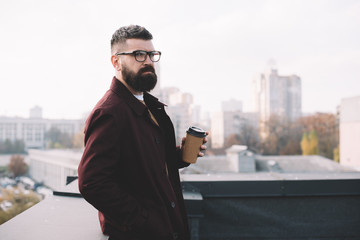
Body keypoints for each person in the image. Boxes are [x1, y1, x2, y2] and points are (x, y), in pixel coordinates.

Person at [78, 25, 207, 240]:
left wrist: (179, 155)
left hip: (167, 228)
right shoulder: (110, 112)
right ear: (116, 62)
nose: (148, 61)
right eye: (138, 54)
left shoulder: (148, 104)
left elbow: (143, 164)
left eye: (151, 54)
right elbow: (92, 183)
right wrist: (143, 221)